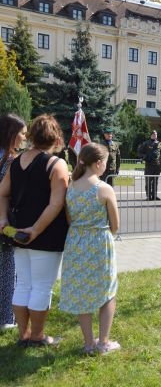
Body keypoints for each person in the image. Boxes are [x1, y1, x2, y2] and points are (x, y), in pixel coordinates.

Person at [0, 114, 69, 348]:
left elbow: (2, 193)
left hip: (17, 231)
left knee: (23, 285)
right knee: (41, 286)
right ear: (55, 137)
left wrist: (2, 220)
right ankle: (37, 336)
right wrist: (36, 230)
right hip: (46, 234)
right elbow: (56, 203)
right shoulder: (56, 164)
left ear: (31, 136)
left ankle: (24, 335)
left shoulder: (15, 162)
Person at [60, 143, 120, 355]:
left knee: (81, 290)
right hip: (99, 242)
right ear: (98, 163)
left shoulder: (71, 187)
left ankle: (88, 343)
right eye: (105, 162)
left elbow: (69, 219)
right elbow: (115, 224)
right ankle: (103, 342)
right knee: (107, 291)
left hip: (75, 241)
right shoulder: (104, 188)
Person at [0, 114, 27, 332]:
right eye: (22, 133)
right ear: (11, 134)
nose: (25, 137)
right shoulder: (10, 161)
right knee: (8, 269)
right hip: (5, 222)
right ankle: (6, 317)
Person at [137, 130, 161, 201]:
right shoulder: (146, 143)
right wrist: (145, 157)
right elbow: (139, 152)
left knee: (155, 181)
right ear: (151, 135)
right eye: (154, 134)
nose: (155, 135)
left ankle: (154, 195)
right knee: (148, 181)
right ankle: (149, 196)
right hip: (149, 165)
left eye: (156, 134)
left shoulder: (159, 144)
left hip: (157, 166)